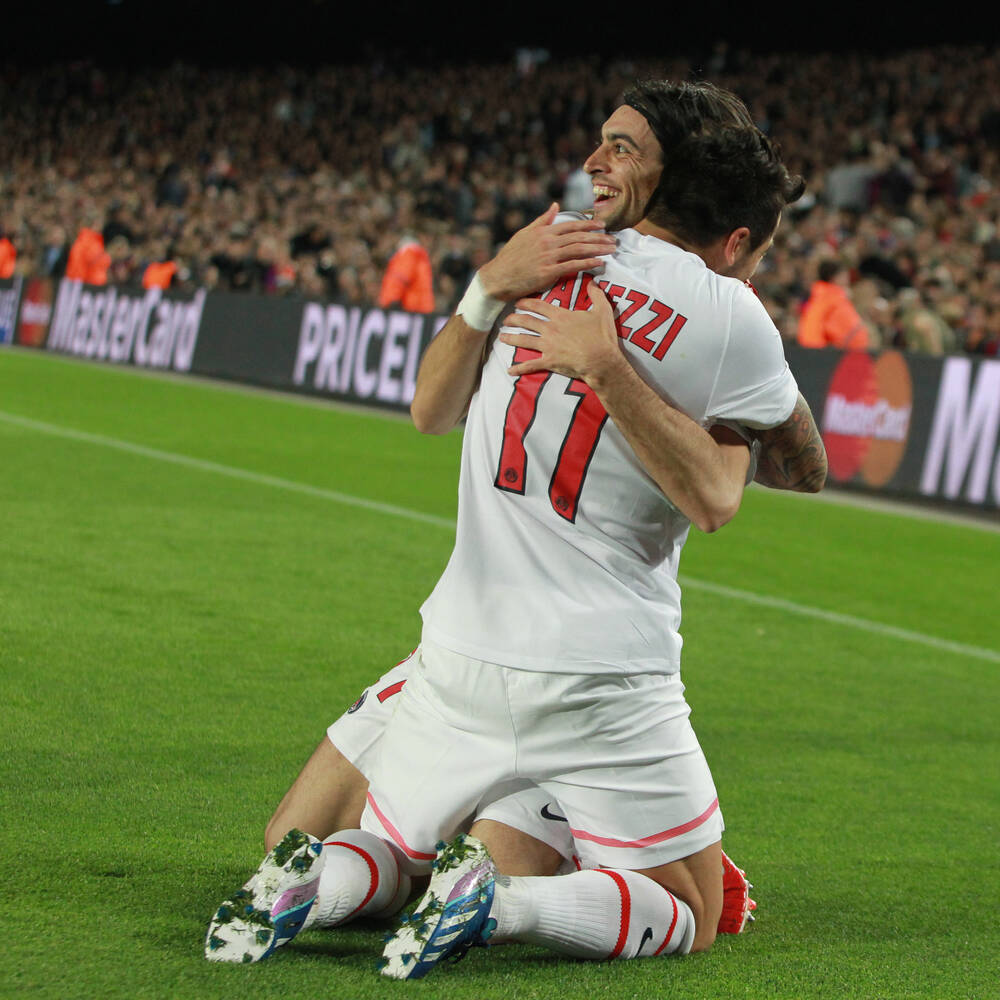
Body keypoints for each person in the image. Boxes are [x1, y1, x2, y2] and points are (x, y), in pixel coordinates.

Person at [205, 80, 824, 970]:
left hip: (460, 649)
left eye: (618, 147)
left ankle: (324, 885)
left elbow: (428, 411)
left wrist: (491, 282)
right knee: (697, 903)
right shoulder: (727, 312)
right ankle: (504, 904)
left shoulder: (547, 255)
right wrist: (620, 371)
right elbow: (772, 479)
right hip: (600, 674)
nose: (591, 163)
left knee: (355, 845)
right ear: (737, 240)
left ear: (664, 177)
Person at [796, 259, 872, 350]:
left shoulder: (822, 296)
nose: (847, 280)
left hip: (825, 353)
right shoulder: (832, 299)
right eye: (844, 276)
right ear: (833, 277)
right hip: (832, 356)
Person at [378, 232, 435, 313]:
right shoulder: (421, 258)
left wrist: (390, 301)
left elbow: (400, 279)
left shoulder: (407, 253)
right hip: (422, 308)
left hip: (409, 308)